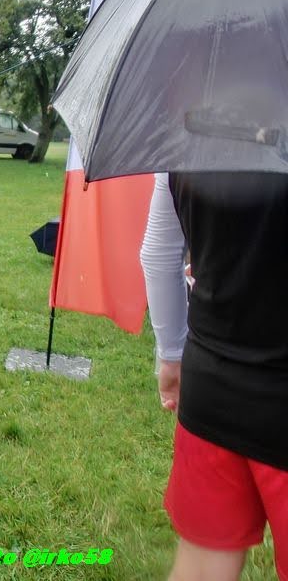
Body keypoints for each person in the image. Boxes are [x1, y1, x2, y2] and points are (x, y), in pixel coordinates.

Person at [140, 171, 288, 581]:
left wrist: (171, 356)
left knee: (202, 567)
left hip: (211, 383)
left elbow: (157, 252)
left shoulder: (184, 124)